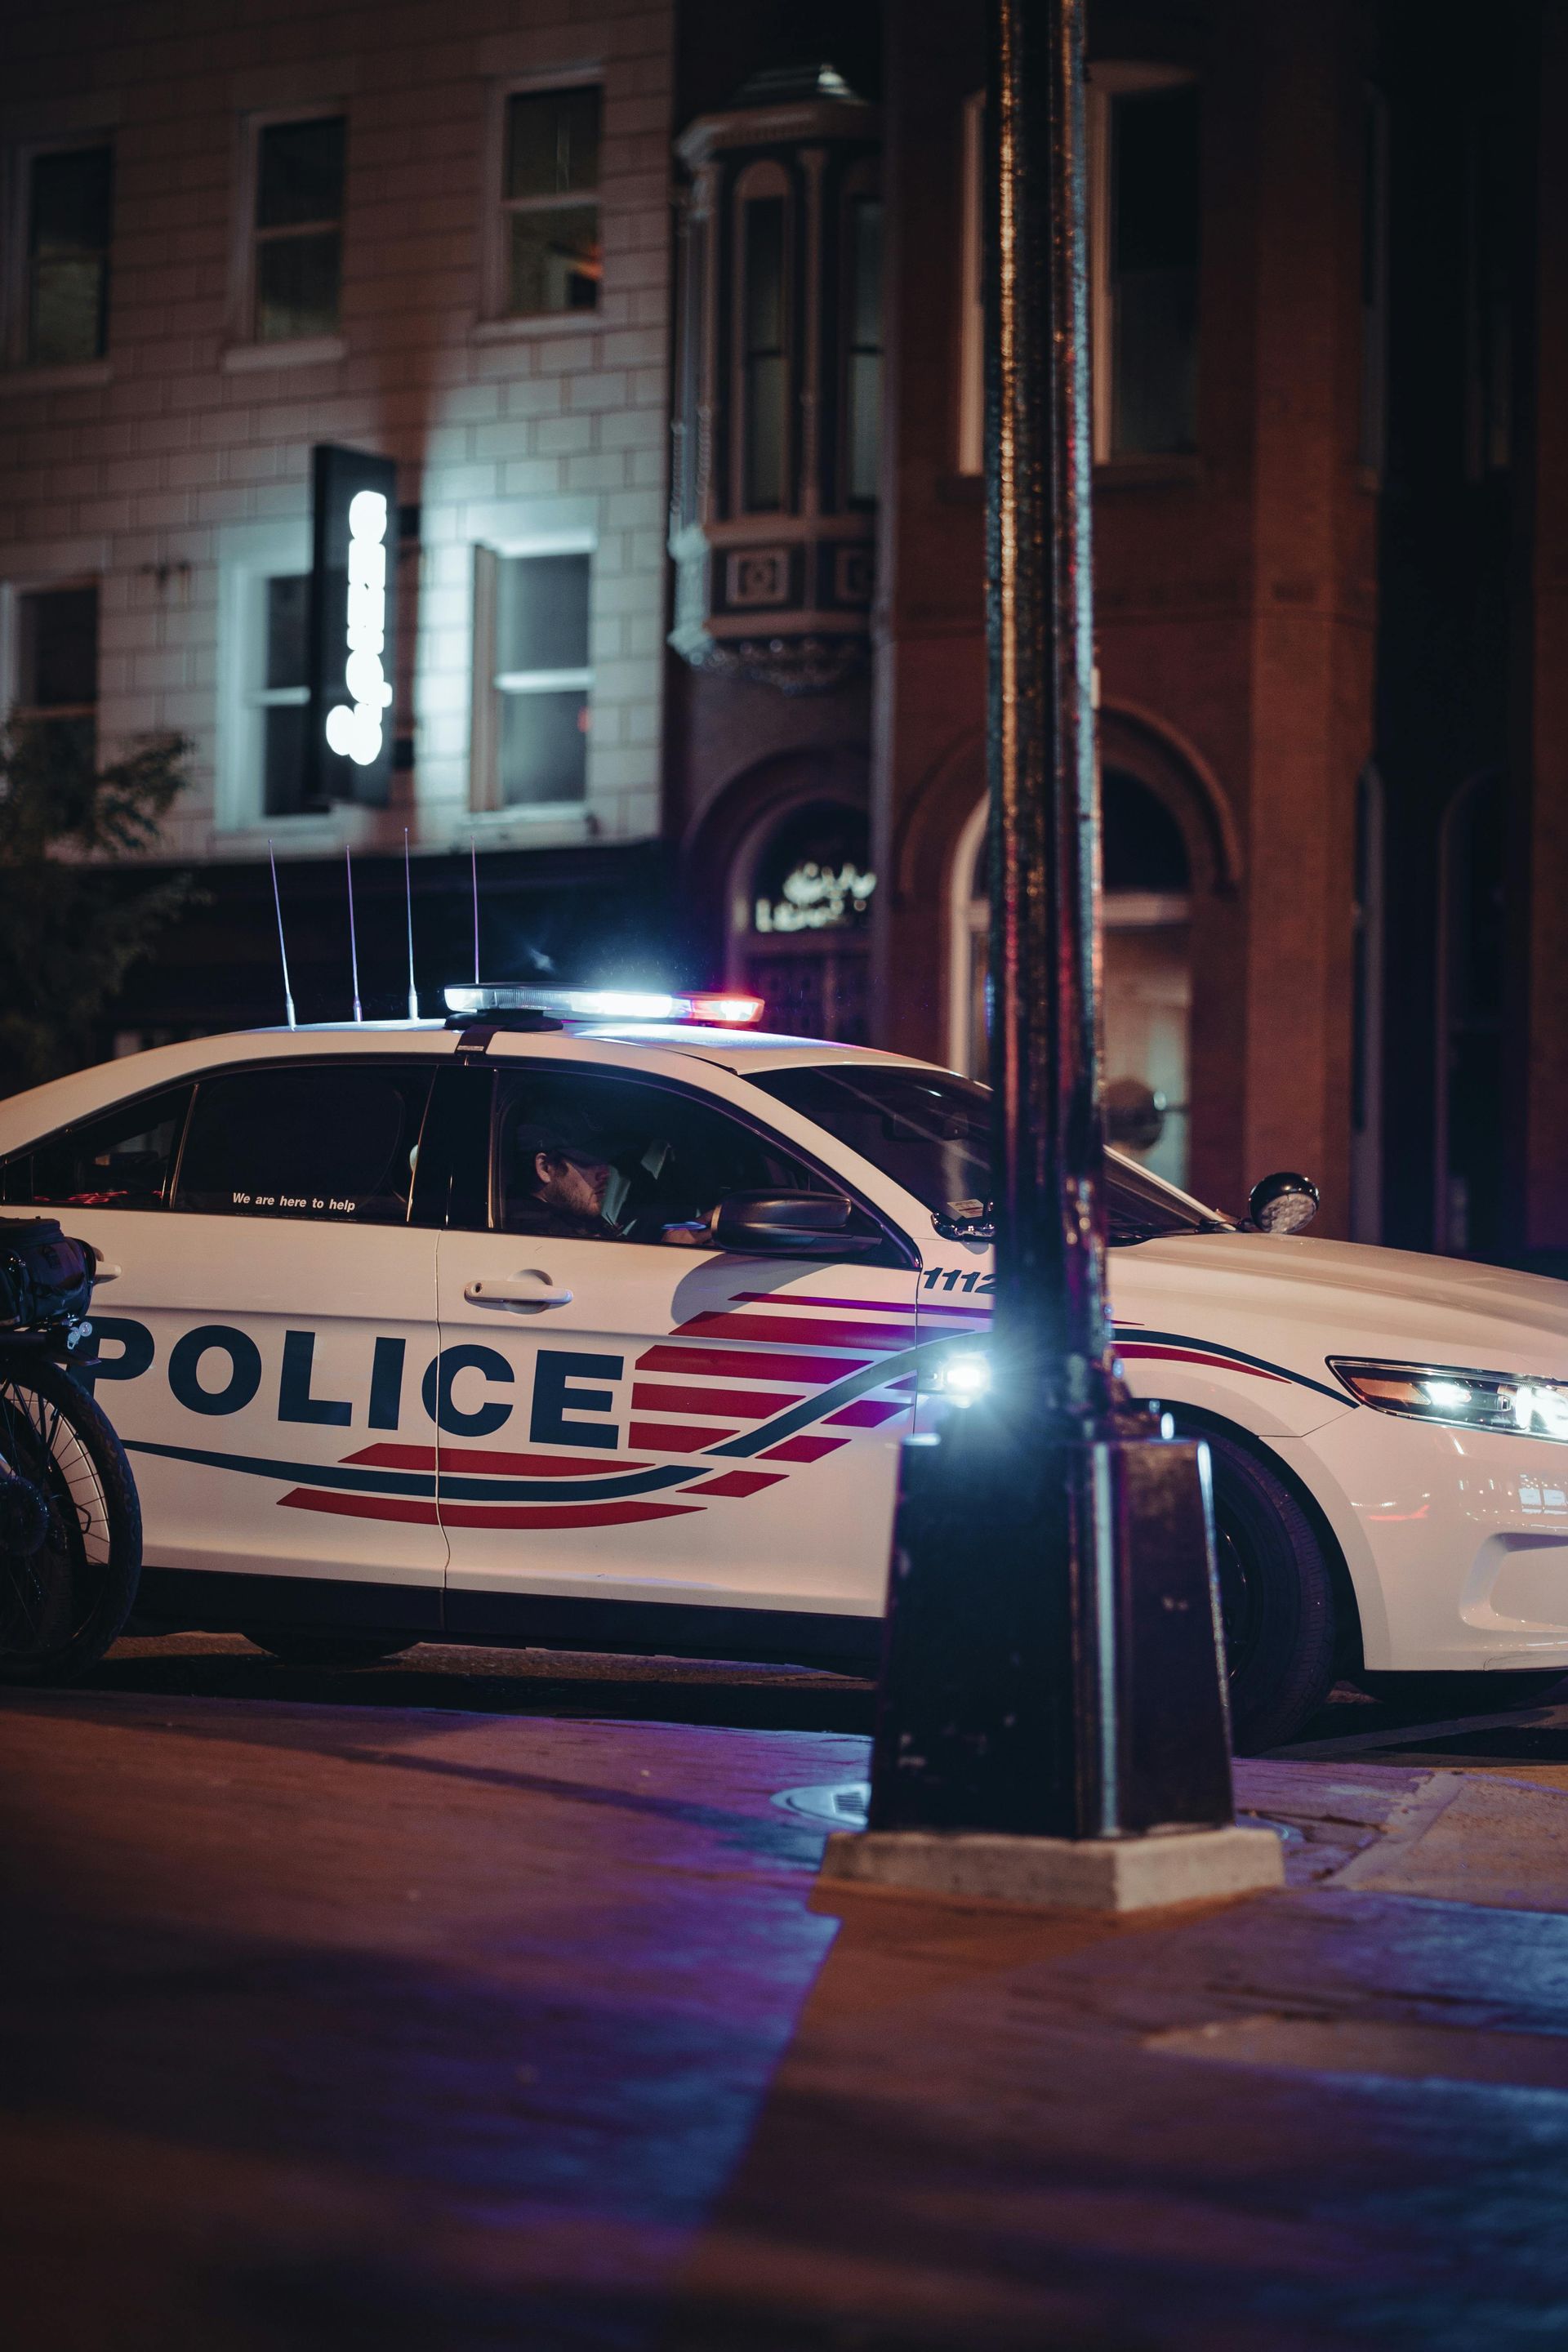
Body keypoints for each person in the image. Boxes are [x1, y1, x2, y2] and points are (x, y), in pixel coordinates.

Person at [508, 1113, 707, 1245]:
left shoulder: (570, 1216)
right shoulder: (534, 1234)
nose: (606, 1172)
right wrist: (667, 1254)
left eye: (607, 1161)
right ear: (545, 1168)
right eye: (586, 1162)